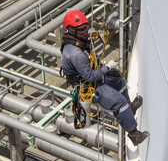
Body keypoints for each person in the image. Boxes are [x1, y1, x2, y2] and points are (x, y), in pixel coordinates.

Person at [60, 10, 149, 146]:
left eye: (85, 28)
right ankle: (133, 133)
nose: (85, 31)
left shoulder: (76, 42)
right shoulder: (75, 54)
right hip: (87, 85)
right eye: (81, 29)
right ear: (71, 30)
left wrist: (105, 68)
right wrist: (107, 67)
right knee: (119, 102)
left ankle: (130, 108)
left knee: (118, 80)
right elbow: (89, 76)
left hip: (90, 75)